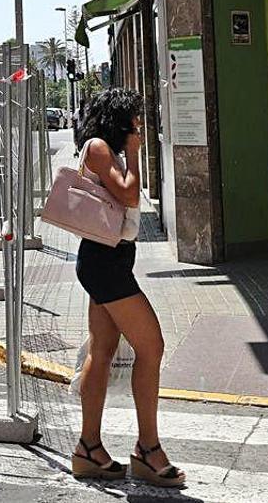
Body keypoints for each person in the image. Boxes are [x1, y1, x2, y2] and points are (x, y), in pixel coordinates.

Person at [70, 89, 185, 488]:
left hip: (111, 260)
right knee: (151, 347)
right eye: (134, 119)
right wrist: (135, 152)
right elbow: (130, 193)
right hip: (105, 263)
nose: (139, 125)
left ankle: (89, 449)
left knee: (101, 351)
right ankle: (147, 451)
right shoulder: (100, 148)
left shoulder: (107, 150)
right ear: (118, 119)